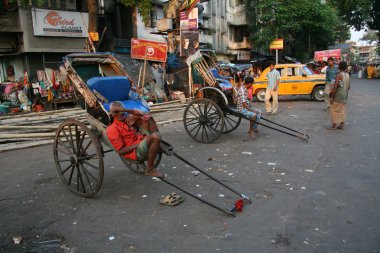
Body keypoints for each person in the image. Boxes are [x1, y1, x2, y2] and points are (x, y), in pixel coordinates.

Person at [106, 101, 164, 177]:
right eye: (116, 112)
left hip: (141, 140)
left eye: (121, 111)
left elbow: (141, 113)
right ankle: (150, 169)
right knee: (155, 136)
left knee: (147, 117)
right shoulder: (112, 129)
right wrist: (139, 144)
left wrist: (124, 110)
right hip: (135, 151)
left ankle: (156, 142)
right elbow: (120, 151)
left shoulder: (127, 119)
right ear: (112, 114)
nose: (120, 114)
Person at [328, 61, 350, 130]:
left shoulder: (339, 75)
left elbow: (335, 86)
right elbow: (349, 87)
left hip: (338, 95)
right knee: (342, 110)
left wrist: (332, 96)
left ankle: (334, 125)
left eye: (338, 65)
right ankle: (342, 125)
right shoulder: (347, 75)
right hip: (344, 95)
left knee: (334, 109)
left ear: (340, 67)